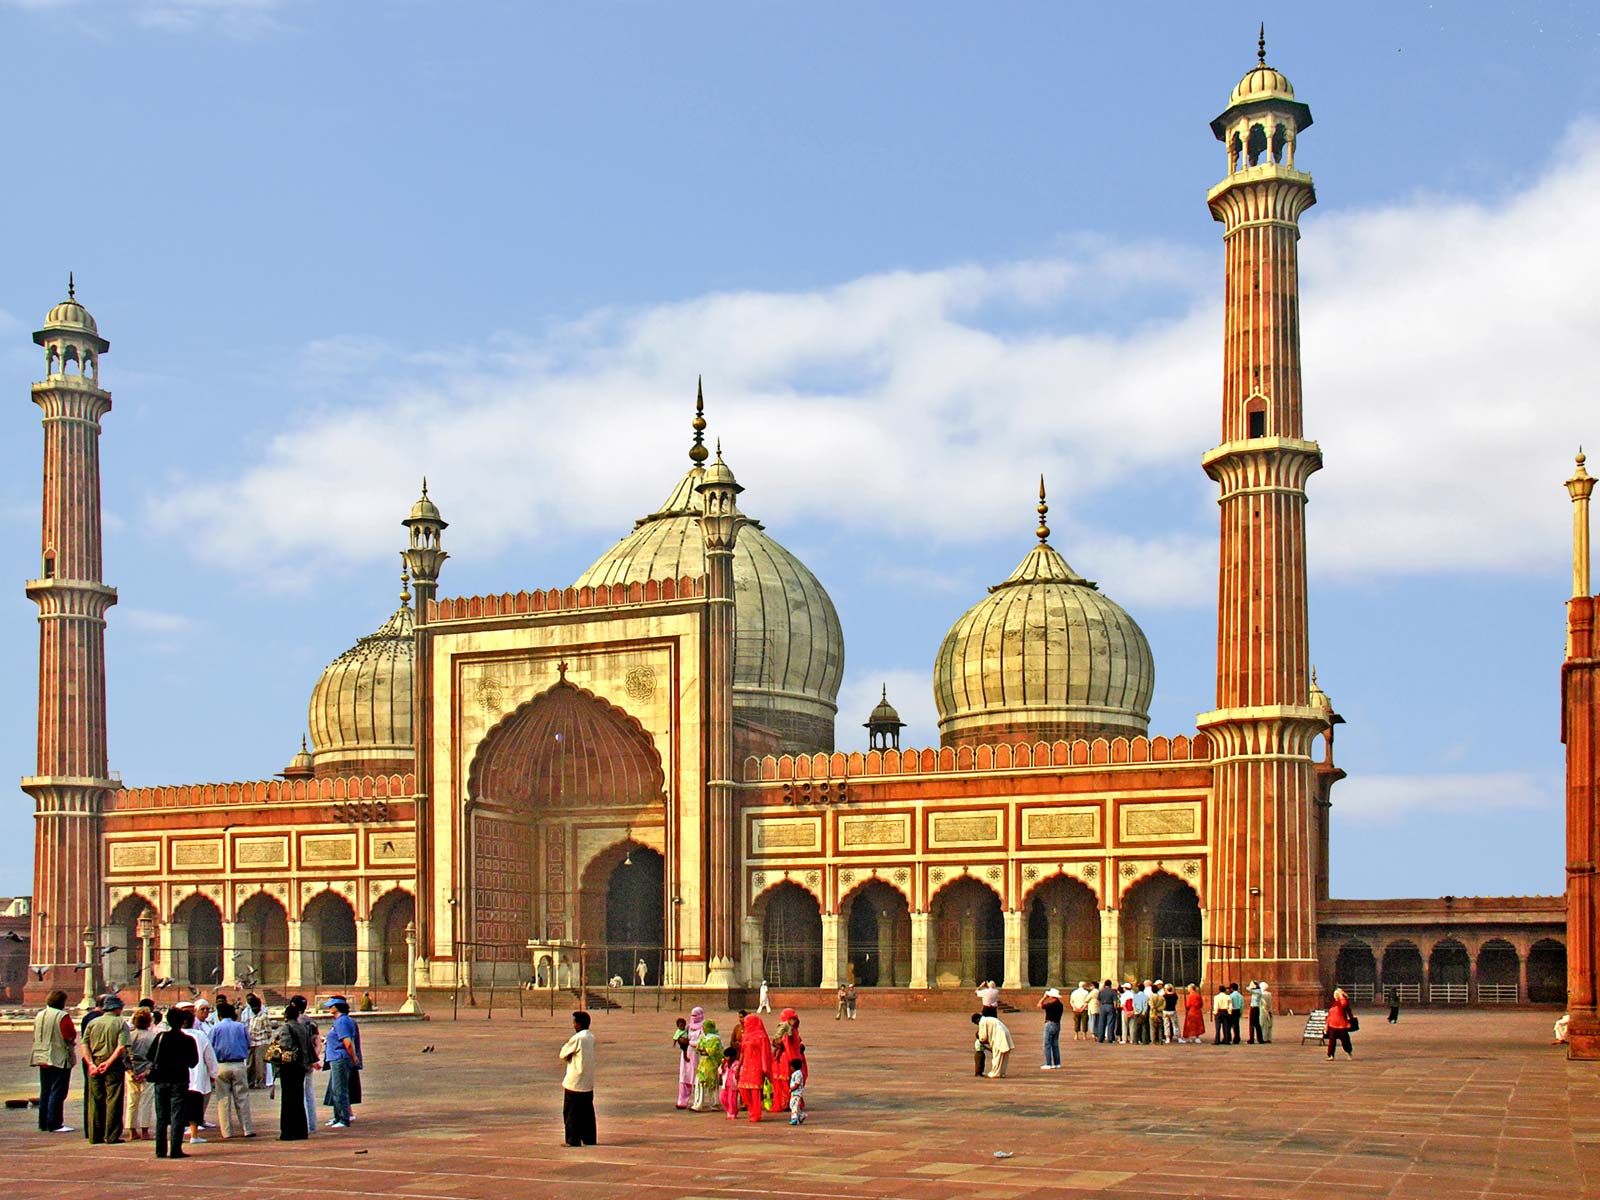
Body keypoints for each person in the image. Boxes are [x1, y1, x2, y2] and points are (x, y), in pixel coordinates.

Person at [149, 1006, 199, 1158]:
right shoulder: (188, 1040)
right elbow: (193, 1062)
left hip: (161, 1079)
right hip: (179, 1079)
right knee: (177, 1115)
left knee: (162, 1116)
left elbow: (151, 1056)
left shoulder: (161, 1037)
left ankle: (160, 1149)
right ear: (183, 1022)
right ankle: (175, 1149)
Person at [83, 994, 131, 1144]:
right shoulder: (120, 1023)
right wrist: (109, 1062)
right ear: (116, 1008)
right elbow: (121, 1047)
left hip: (95, 1062)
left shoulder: (93, 1022)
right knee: (114, 1099)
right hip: (113, 1063)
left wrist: (91, 1063)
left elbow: (84, 1044)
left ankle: (95, 1135)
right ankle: (111, 1135)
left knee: (96, 1100)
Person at [31, 988, 77, 1134]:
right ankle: (55, 1123)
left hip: (41, 1055)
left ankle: (43, 1122)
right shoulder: (62, 1016)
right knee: (58, 1090)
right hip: (58, 1055)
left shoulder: (39, 1014)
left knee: (45, 1090)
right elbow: (69, 1035)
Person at [210, 999, 253, 1138]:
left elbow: (210, 1048)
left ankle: (227, 1132)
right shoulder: (240, 1027)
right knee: (242, 1098)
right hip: (239, 1064)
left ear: (219, 1015)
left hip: (221, 1065)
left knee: (223, 1100)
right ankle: (247, 1129)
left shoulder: (215, 1028)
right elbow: (248, 1043)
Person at [271, 1002, 313, 1141]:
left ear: (286, 1016)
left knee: (288, 1101)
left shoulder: (285, 1028)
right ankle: (301, 1131)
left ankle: (288, 1132)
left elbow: (284, 1047)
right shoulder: (303, 1028)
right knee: (298, 1099)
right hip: (301, 1066)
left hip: (289, 1068)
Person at [180, 1001, 218, 1146]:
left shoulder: (174, 1034)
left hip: (179, 1076)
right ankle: (194, 1134)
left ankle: (178, 1132)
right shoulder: (200, 1035)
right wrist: (214, 1073)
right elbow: (209, 1056)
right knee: (195, 1106)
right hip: (196, 1076)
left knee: (180, 1105)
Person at [322, 997, 361, 1129]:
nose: (329, 1008)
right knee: (335, 1090)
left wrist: (354, 1056)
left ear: (337, 1007)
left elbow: (348, 1043)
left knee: (340, 1090)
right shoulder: (340, 1021)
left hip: (340, 1058)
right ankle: (338, 1116)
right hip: (336, 1058)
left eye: (331, 1006)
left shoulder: (342, 1022)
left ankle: (344, 1119)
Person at [560, 1010, 597, 1146]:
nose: (573, 1025)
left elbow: (563, 1053)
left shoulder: (578, 1038)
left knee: (571, 1112)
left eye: (575, 1022)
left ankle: (573, 1139)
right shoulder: (591, 1037)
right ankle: (589, 1138)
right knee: (587, 1112)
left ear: (579, 1024)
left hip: (575, 1081)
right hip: (587, 1080)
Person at [290, 995, 321, 1134]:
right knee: (309, 1093)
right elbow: (317, 1042)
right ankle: (312, 1124)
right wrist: (314, 1059)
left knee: (298, 1094)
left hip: (297, 1062)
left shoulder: (294, 1023)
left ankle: (302, 1124)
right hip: (309, 1062)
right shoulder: (311, 1022)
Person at [736, 1012, 773, 1121]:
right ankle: (751, 1109)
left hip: (757, 1065)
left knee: (755, 1090)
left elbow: (764, 1052)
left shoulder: (762, 1037)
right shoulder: (746, 1035)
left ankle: (756, 1113)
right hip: (747, 1065)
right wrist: (739, 1066)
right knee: (743, 1088)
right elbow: (742, 1052)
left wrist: (765, 1067)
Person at [127, 1008, 158, 1141]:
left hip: (132, 1070)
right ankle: (145, 1130)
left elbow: (125, 1055)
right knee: (146, 1101)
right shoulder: (153, 1036)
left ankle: (131, 1129)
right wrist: (146, 1071)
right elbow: (155, 1057)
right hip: (147, 1071)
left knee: (132, 1101)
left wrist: (130, 1071)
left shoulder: (130, 1035)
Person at [771, 1008, 806, 1113]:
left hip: (790, 1059)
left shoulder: (793, 1031)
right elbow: (778, 1042)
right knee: (785, 1081)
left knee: (790, 1080)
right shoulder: (786, 1030)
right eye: (791, 1019)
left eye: (794, 1019)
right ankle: (786, 1101)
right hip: (786, 1058)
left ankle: (789, 1101)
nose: (793, 1022)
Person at [693, 1018, 723, 1112]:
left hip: (711, 1063)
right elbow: (698, 1047)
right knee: (699, 1082)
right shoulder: (704, 1037)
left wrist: (704, 1049)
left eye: (705, 1027)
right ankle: (699, 1103)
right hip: (703, 1062)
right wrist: (703, 1049)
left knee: (711, 1083)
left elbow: (713, 1051)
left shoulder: (715, 1039)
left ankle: (714, 1103)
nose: (704, 1029)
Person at [244, 993, 272, 1089]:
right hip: (252, 1043)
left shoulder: (264, 1017)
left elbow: (269, 1031)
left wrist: (263, 1039)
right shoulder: (251, 1017)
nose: (254, 1009)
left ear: (259, 1007)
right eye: (253, 1007)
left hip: (261, 1043)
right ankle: (250, 1082)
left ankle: (261, 1083)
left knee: (260, 1065)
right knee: (250, 1064)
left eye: (256, 1007)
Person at [976, 1011, 1014, 1077]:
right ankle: (1001, 1072)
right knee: (1004, 1057)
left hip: (999, 1036)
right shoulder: (989, 1019)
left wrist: (980, 1039)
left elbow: (983, 1037)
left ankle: (994, 1073)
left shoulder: (982, 1021)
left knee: (997, 1056)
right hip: (1005, 1033)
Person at [1325, 987, 1355, 1059]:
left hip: (1342, 1025)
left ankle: (1349, 1052)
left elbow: (1344, 1003)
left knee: (1345, 1041)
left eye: (1336, 995)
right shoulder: (1333, 1004)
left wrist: (1341, 994)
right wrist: (1326, 1025)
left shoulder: (1342, 1004)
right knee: (1332, 1042)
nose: (1335, 996)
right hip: (1332, 1025)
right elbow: (1329, 1015)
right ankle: (1331, 1055)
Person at [1037, 988, 1064, 1069]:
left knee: (1047, 1044)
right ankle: (1057, 1063)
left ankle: (1048, 1063)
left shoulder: (1051, 1005)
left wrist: (1044, 997)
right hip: (1057, 1024)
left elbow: (1039, 1005)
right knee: (1055, 1044)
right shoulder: (1060, 1004)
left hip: (1049, 1024)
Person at [671, 1015, 693, 1109]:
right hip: (687, 1050)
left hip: (694, 1052)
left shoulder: (689, 1028)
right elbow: (675, 1038)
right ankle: (682, 1100)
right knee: (685, 1076)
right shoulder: (681, 1031)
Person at [718, 1044, 741, 1119]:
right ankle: (729, 1110)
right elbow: (720, 1072)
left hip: (733, 1085)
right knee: (722, 1098)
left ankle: (732, 1112)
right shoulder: (725, 1064)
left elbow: (737, 1073)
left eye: (727, 1056)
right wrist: (722, 1066)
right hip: (725, 1085)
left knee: (732, 1100)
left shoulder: (736, 1064)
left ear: (733, 1057)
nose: (725, 1058)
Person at [785, 1057, 806, 1125]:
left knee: (794, 1105)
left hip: (797, 1092)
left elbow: (797, 1084)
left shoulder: (798, 1074)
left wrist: (791, 1089)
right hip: (794, 1093)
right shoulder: (796, 1073)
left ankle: (794, 1119)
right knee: (793, 1105)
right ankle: (801, 1115)